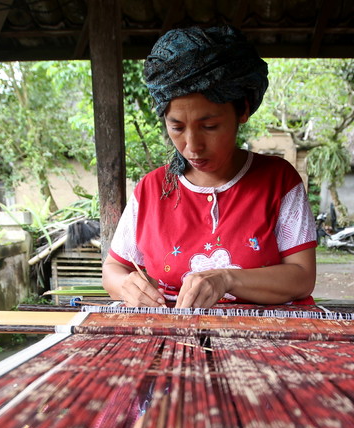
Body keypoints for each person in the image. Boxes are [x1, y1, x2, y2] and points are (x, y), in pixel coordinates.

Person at [102, 25, 317, 309]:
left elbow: (302, 277)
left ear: (242, 110)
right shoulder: (152, 189)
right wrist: (127, 286)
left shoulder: (278, 180)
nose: (192, 146)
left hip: (262, 342)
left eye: (210, 126)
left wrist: (227, 280)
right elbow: (113, 270)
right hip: (175, 339)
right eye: (176, 127)